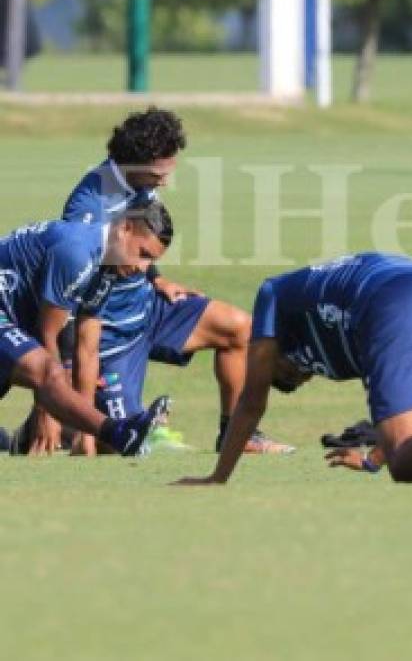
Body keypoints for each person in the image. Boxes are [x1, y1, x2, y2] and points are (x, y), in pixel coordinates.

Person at [174, 253, 412, 486]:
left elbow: (251, 402)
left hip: (396, 301)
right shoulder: (329, 333)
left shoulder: (272, 295)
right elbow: (410, 410)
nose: (299, 377)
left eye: (287, 375)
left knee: (406, 467)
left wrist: (218, 476)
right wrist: (375, 459)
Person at [46, 107, 291, 455]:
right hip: (110, 334)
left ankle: (239, 434)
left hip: (149, 308)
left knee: (239, 328)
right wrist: (70, 363)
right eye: (159, 173)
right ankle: (61, 427)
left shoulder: (139, 182)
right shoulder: (88, 209)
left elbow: (140, 245)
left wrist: (158, 280)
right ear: (135, 161)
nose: (164, 181)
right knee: (121, 442)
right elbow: (67, 295)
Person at [0, 203, 171, 459]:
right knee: (49, 370)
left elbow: (88, 348)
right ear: (124, 229)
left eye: (152, 261)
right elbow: (48, 334)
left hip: (10, 319)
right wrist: (46, 414)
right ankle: (122, 434)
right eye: (143, 253)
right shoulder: (77, 253)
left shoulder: (108, 267)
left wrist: (85, 435)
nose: (143, 269)